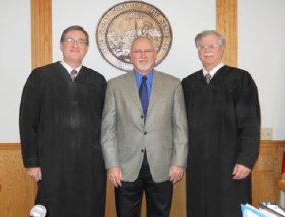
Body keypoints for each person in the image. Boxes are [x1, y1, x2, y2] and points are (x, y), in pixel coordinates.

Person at [19, 25, 107, 217]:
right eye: (69, 40)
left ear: (87, 48)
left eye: (81, 41)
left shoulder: (98, 81)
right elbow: (27, 122)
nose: (75, 45)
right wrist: (32, 162)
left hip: (90, 163)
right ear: (61, 45)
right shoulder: (41, 77)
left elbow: (106, 125)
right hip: (52, 162)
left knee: (89, 209)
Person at [101, 37, 188, 217]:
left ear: (155, 55)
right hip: (125, 166)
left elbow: (180, 127)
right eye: (137, 51)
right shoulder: (115, 86)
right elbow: (108, 130)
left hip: (163, 165)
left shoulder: (173, 84)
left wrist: (179, 161)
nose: (143, 55)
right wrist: (112, 164)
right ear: (130, 56)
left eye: (147, 51)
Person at [182, 30, 261, 217]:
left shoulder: (241, 79)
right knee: (199, 209)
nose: (207, 50)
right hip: (197, 164)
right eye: (202, 46)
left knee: (229, 210)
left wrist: (246, 160)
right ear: (198, 51)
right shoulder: (188, 83)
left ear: (222, 49)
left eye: (212, 46)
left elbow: (251, 123)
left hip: (231, 164)